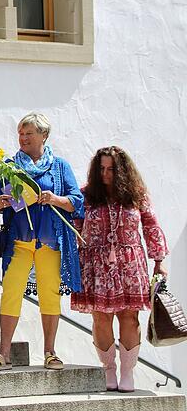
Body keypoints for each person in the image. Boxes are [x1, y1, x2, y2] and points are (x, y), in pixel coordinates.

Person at [0, 113, 83, 372]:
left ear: (44, 136)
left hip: (50, 242)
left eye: (29, 133)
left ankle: (50, 352)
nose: (23, 138)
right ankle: (4, 353)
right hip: (19, 241)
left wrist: (54, 199)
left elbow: (77, 201)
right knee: (11, 293)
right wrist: (0, 202)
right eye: (21, 133)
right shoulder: (10, 166)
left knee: (50, 295)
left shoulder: (60, 166)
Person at [71, 146, 168, 392]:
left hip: (130, 263)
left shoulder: (136, 195)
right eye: (101, 169)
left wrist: (159, 260)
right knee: (101, 318)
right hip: (95, 264)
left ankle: (128, 372)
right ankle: (109, 370)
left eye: (111, 169)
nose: (105, 174)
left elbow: (151, 226)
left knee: (129, 317)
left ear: (122, 171)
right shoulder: (86, 195)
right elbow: (75, 228)